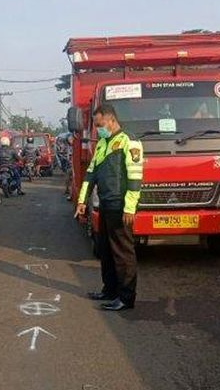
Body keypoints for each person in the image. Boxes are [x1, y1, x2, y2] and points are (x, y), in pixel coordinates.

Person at [74, 104, 143, 312]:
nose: (98, 129)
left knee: (123, 253)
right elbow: (91, 174)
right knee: (105, 250)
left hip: (121, 206)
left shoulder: (129, 141)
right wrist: (81, 201)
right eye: (96, 126)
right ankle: (109, 290)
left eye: (100, 124)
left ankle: (126, 297)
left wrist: (130, 208)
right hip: (105, 204)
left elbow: (135, 178)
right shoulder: (104, 143)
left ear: (112, 120)